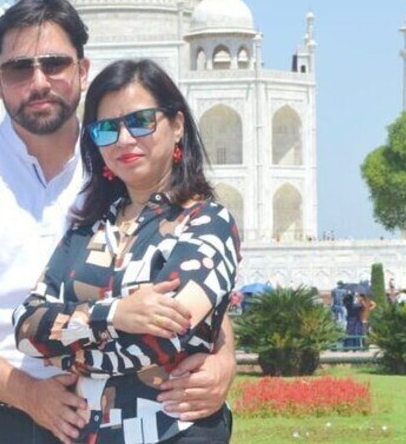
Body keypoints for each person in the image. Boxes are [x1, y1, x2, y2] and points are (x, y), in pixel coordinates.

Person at [0, 0, 237, 444]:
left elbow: (185, 285)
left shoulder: (116, 166)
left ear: (82, 70)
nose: (39, 81)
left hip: (102, 416)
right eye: (20, 69)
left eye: (54, 64)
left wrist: (223, 357)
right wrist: (27, 393)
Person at [13, 58, 240, 443]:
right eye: (106, 129)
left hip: (173, 431)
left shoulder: (206, 223)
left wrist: (66, 344)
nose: (123, 139)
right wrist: (119, 314)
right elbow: (25, 328)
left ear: (177, 125)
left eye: (140, 121)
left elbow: (163, 339)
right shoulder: (88, 229)